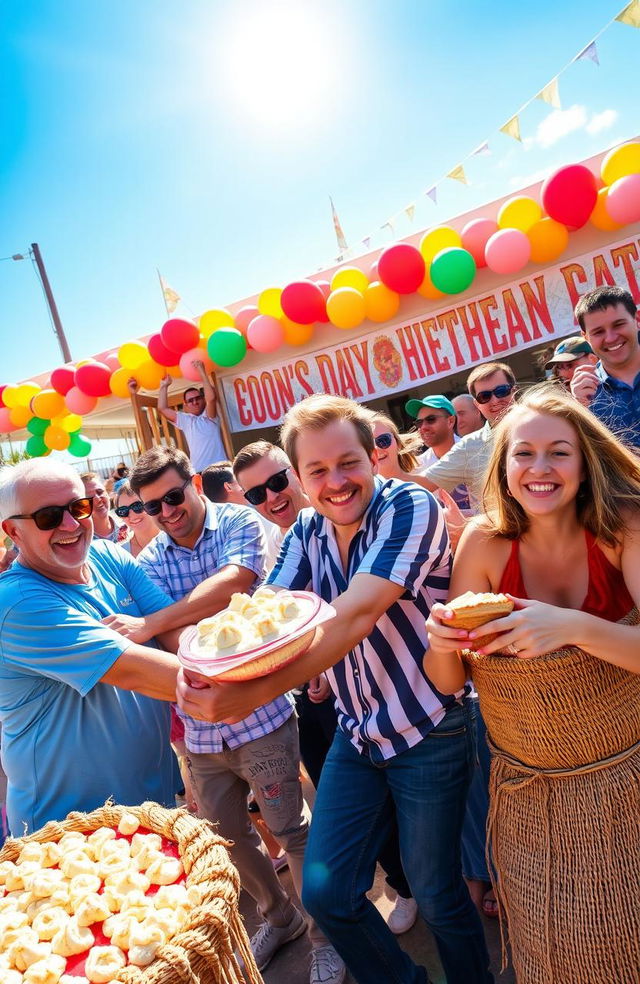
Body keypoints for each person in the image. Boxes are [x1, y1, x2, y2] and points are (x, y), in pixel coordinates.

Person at [179, 395, 493, 984]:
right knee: (324, 894)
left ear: (376, 455)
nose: (336, 482)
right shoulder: (303, 529)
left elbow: (355, 615)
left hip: (428, 724)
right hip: (359, 731)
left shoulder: (409, 505)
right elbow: (267, 612)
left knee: (437, 890)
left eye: (347, 462)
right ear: (300, 478)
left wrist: (251, 694)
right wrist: (203, 661)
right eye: (317, 471)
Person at [425, 384, 640, 983]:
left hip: (629, 778)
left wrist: (568, 626)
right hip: (529, 800)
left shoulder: (623, 525)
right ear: (502, 462)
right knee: (557, 952)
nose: (539, 469)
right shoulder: (485, 540)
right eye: (524, 453)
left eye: (559, 453)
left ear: (586, 459)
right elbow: (448, 681)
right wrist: (441, 644)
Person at [127, 446, 344, 984]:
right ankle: (281, 917)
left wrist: (160, 623)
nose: (168, 511)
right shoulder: (151, 558)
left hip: (261, 717)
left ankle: (327, 936)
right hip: (200, 731)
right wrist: (185, 629)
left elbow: (235, 583)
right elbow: (187, 626)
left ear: (195, 483)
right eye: (154, 506)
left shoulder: (237, 519)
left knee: (290, 831)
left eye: (174, 496)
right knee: (225, 839)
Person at [234, 437, 419, 936]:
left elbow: (356, 607)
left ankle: (434, 887)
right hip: (331, 699)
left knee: (434, 857)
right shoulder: (294, 535)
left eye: (278, 482)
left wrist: (260, 683)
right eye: (257, 494)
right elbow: (275, 607)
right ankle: (400, 885)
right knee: (348, 831)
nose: (272, 497)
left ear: (295, 475)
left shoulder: (390, 508)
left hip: (408, 701)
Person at [0, 460, 183, 834]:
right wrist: (248, 674)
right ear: (13, 532)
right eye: (49, 516)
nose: (70, 525)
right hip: (68, 833)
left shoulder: (110, 556)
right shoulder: (16, 603)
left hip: (148, 809)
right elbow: (141, 673)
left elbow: (174, 629)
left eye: (78, 507)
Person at [418, 362, 517, 506]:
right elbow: (422, 483)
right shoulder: (469, 446)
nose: (495, 400)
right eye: (485, 396)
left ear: (514, 391)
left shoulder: (544, 424)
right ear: (477, 405)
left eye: (501, 391)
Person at [570, 285, 640, 451]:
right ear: (585, 337)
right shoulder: (585, 396)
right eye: (598, 332)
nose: (610, 338)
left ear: (637, 320)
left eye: (618, 324)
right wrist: (577, 412)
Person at [133, 360, 226, 471]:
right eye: (190, 400)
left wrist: (201, 371)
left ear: (203, 399)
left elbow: (211, 398)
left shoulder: (210, 416)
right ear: (185, 404)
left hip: (221, 468)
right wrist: (164, 386)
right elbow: (162, 408)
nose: (195, 402)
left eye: (198, 398)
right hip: (199, 471)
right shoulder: (186, 420)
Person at [404, 396, 471, 511]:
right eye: (419, 422)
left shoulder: (471, 450)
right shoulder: (417, 467)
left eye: (431, 419)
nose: (424, 427)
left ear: (450, 421)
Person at [114, 481, 159, 558]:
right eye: (123, 511)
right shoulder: (119, 553)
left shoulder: (177, 538)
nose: (132, 515)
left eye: (137, 506)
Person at [80, 472, 128, 543]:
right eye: (89, 497)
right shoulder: (82, 541)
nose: (97, 499)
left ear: (107, 494)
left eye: (100, 492)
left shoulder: (128, 524)